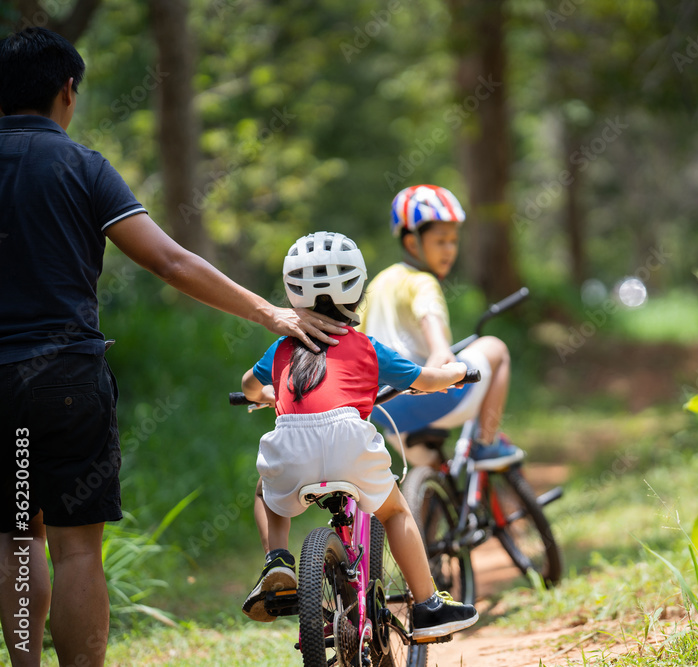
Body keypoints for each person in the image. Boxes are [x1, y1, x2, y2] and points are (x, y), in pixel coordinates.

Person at [0, 28, 347, 667]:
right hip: (67, 380)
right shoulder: (82, 166)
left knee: (17, 539)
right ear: (66, 92)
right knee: (75, 548)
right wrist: (268, 312)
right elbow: (168, 261)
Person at [239, 232, 479, 638]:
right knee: (396, 511)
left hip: (290, 441)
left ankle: (277, 559)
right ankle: (427, 607)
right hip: (348, 439)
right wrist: (458, 372)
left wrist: (265, 394)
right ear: (357, 288)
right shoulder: (366, 346)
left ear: (292, 291)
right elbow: (426, 378)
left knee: (267, 489)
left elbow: (247, 383)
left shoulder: (281, 347)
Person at [358, 184, 524, 469]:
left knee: (436, 481)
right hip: (432, 398)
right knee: (496, 348)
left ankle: (432, 500)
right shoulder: (422, 282)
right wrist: (440, 353)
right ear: (413, 243)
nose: (449, 250)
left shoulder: (378, 283)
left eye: (453, 240)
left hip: (385, 413)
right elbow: (433, 328)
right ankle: (486, 444)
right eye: (441, 241)